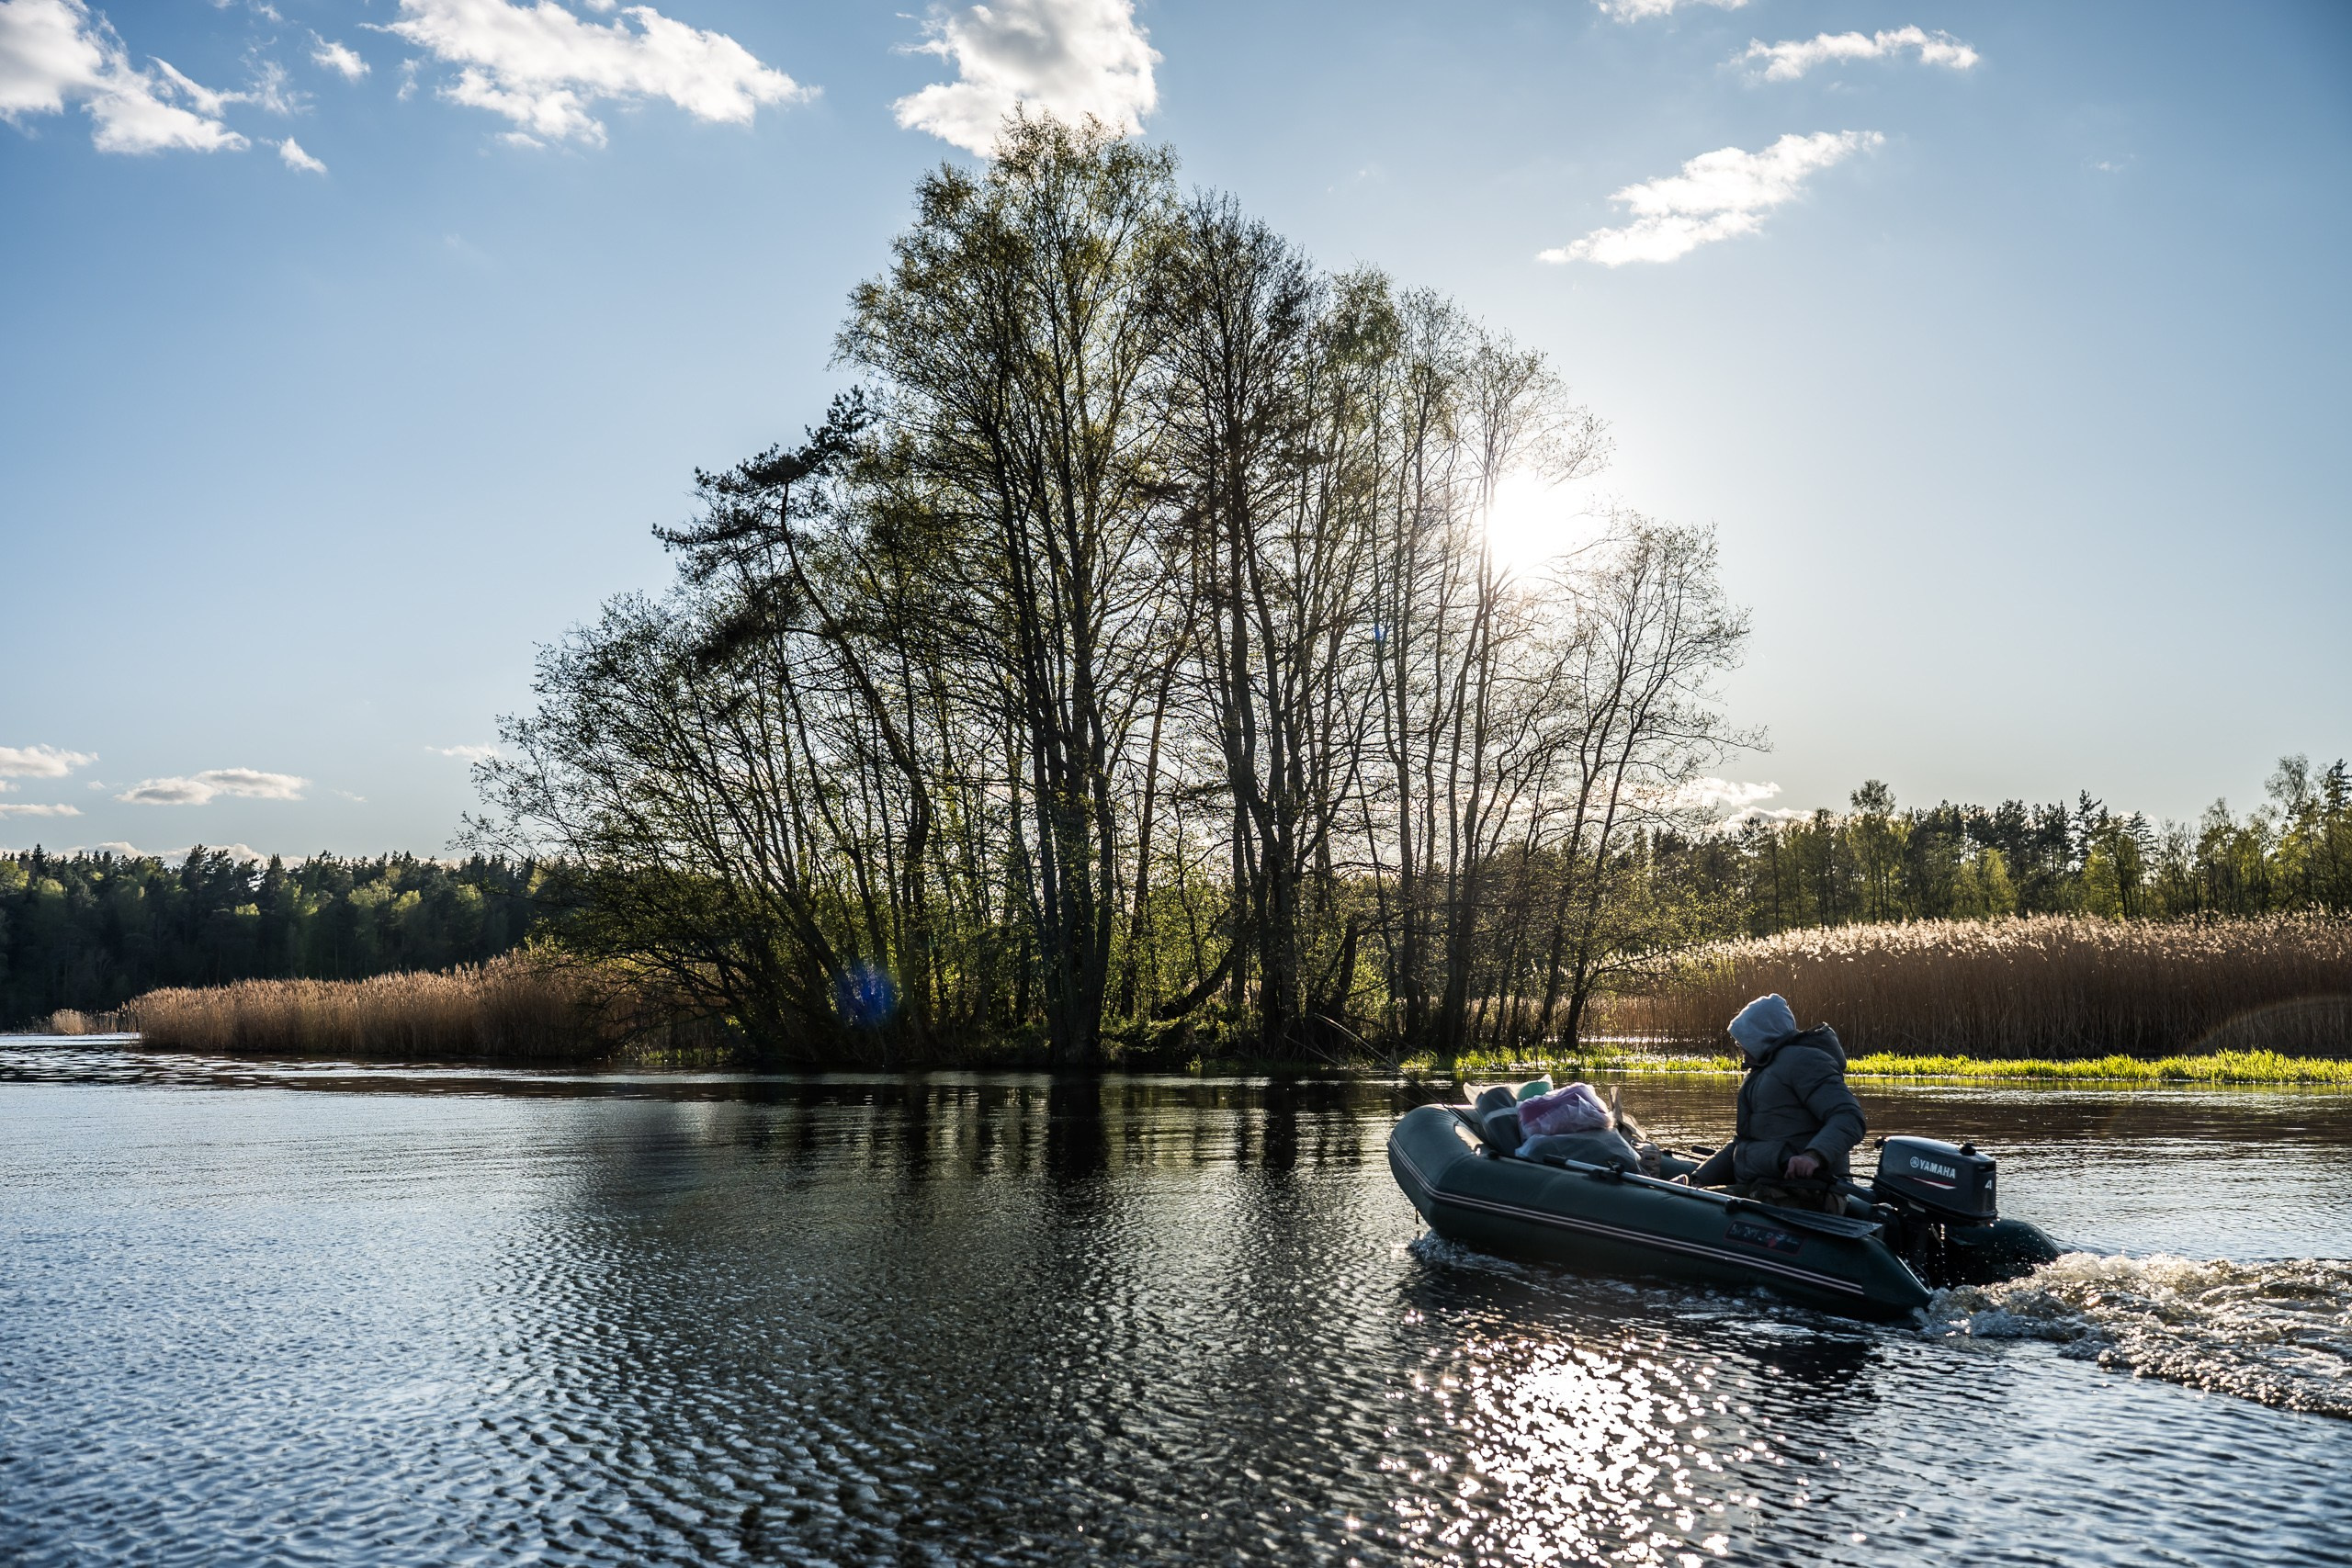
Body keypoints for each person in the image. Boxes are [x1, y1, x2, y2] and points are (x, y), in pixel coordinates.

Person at [1682, 993, 1865, 1212]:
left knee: (1687, 1206)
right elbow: (1742, 1143)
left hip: (1806, 1191)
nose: (1740, 1046)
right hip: (1767, 1185)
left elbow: (1849, 1117)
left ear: (1762, 1036)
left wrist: (1813, 1156)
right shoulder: (1762, 1070)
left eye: (1744, 1039)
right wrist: (1699, 1178)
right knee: (1687, 1197)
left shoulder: (1806, 1062)